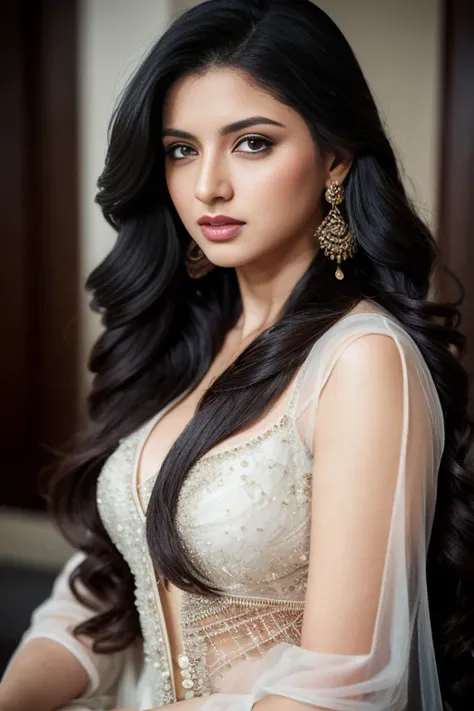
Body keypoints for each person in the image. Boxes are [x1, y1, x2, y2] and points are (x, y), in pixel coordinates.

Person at [2, 0, 474, 709]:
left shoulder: (361, 361)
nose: (207, 186)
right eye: (181, 149)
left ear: (335, 159)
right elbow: (98, 590)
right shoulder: (180, 339)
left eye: (252, 143)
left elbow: (339, 687)